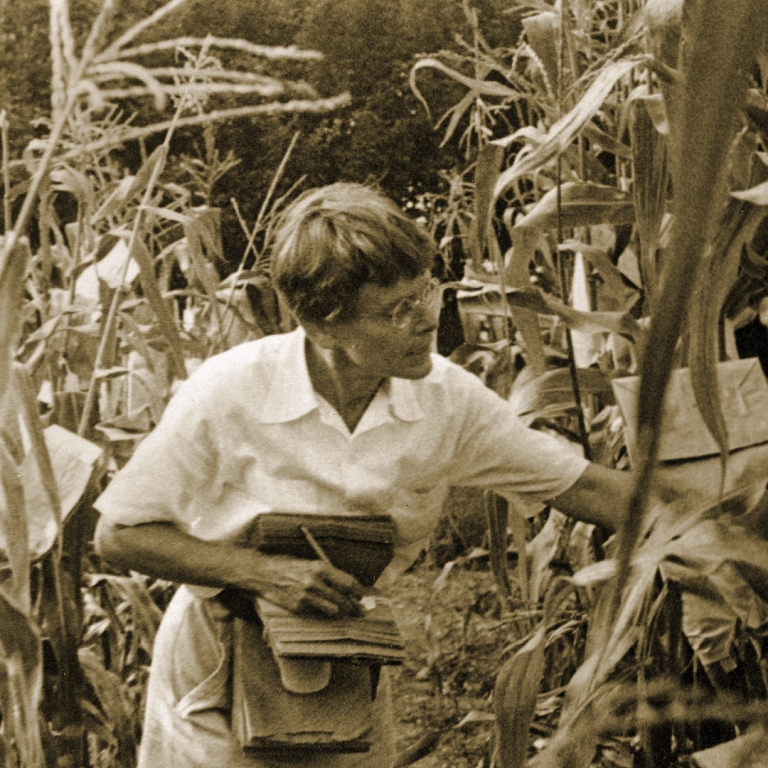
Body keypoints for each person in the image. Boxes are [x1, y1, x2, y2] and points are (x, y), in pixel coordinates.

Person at [94, 182, 632, 768]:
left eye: (424, 293)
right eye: (394, 310)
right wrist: (264, 573)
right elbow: (120, 534)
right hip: (220, 658)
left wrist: (721, 516)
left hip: (348, 657)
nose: (426, 320)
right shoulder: (229, 391)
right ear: (321, 324)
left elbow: (582, 486)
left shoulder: (447, 400)